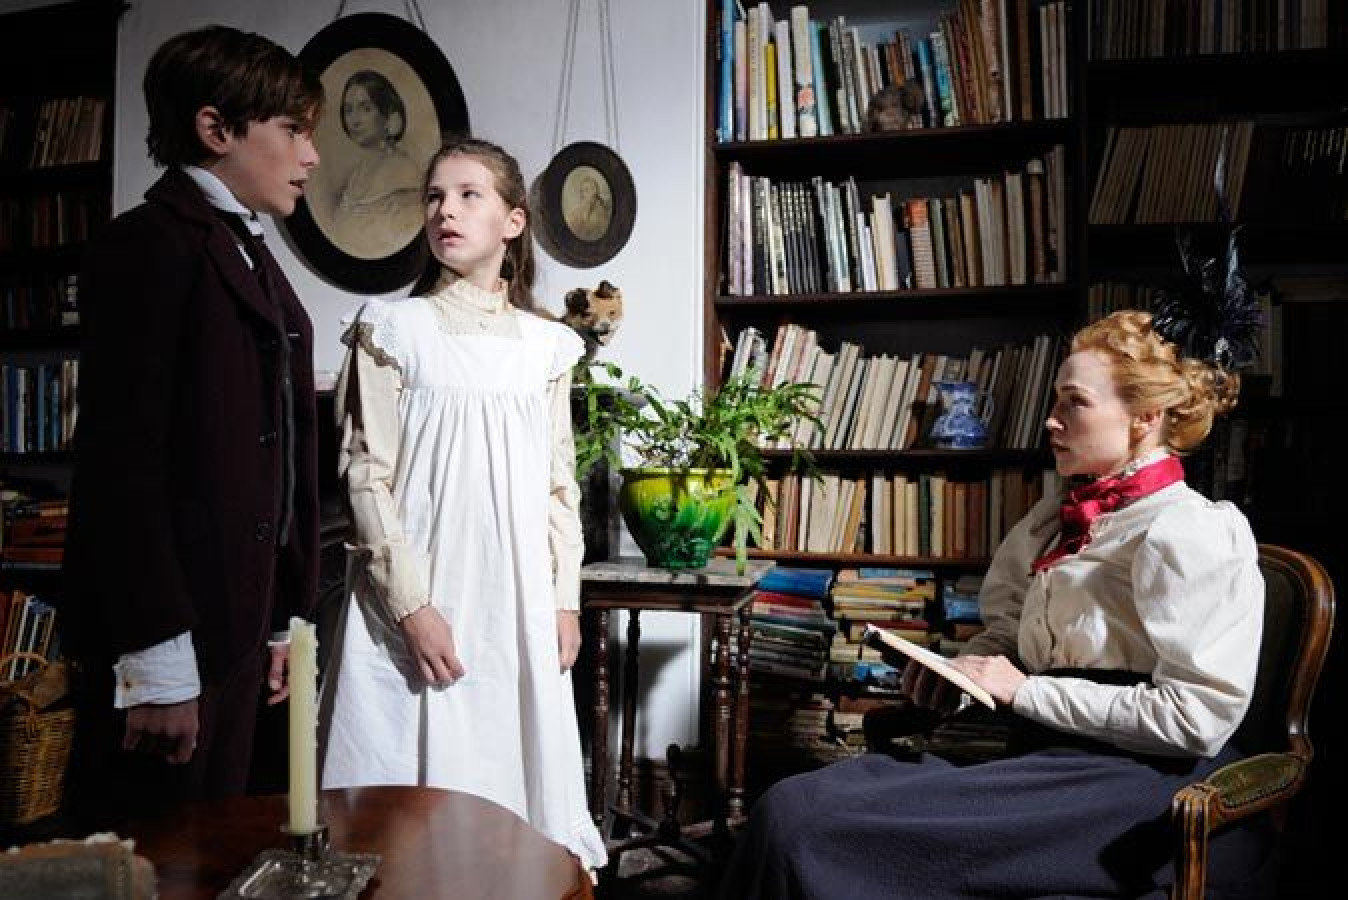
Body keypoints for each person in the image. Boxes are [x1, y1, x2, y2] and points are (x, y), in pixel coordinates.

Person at [721, 310, 1271, 899]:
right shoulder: (1063, 518)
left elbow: (1197, 720)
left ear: (1145, 418)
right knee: (791, 803)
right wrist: (968, 671)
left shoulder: (1187, 530)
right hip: (1045, 753)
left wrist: (1024, 690)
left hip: (1136, 785)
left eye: (1073, 402)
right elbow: (1018, 634)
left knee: (803, 825)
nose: (1051, 420)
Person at [319, 136, 607, 872]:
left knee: (511, 823)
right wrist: (412, 608)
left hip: (514, 607)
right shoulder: (392, 330)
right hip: (417, 606)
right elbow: (365, 477)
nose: (446, 210)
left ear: (513, 221)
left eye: (468, 195)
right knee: (406, 828)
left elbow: (557, 486)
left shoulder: (547, 347)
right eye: (435, 197)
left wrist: (564, 602)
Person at [60, 25, 323, 826]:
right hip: (176, 636)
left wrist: (282, 618)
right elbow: (122, 465)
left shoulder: (247, 246)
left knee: (221, 852)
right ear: (217, 129)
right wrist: (156, 661)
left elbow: (272, 447)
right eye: (293, 131)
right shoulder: (146, 245)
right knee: (153, 860)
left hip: (239, 630)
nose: (311, 156)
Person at [326, 69, 422, 258]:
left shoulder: (403, 170)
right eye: (349, 110)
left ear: (387, 116)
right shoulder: (358, 174)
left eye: (366, 108)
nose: (354, 120)